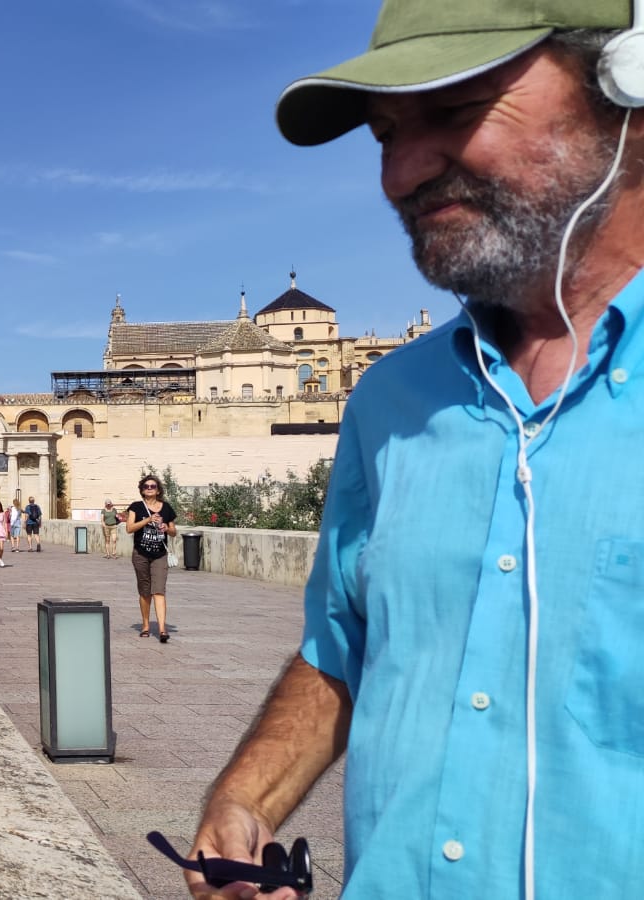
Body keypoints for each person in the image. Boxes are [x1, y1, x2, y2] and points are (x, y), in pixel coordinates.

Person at [185, 3, 644, 898]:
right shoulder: (391, 402)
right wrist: (250, 799)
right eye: (387, 133)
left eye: (457, 108)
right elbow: (343, 644)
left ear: (627, 85)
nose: (401, 172)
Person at [125, 476, 176, 643]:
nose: (149, 488)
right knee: (145, 591)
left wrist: (166, 527)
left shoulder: (166, 508)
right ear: (142, 489)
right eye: (146, 486)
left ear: (158, 490)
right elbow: (129, 528)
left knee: (159, 590)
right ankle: (146, 625)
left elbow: (174, 531)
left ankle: (162, 629)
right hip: (140, 554)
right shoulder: (136, 507)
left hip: (160, 554)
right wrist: (148, 519)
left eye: (152, 486)